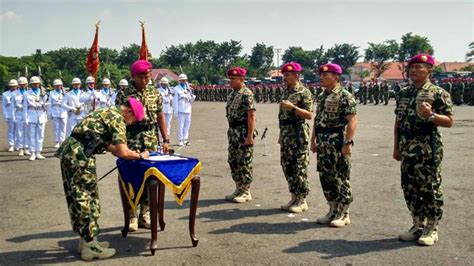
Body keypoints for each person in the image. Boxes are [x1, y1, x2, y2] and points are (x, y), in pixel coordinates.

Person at [56, 97, 149, 260]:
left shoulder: (106, 111)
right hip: (79, 157)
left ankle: (87, 241)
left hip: (73, 154)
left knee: (79, 197)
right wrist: (141, 155)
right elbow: (122, 152)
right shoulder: (117, 118)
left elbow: (107, 146)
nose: (130, 124)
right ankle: (90, 247)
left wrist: (127, 151)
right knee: (86, 199)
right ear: (128, 112)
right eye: (133, 119)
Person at [393, 54, 454, 246]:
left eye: (419, 67)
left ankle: (432, 227)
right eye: (411, 67)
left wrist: (431, 115)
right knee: (409, 187)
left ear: (430, 70)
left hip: (428, 146)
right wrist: (396, 147)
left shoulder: (438, 93)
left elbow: (449, 121)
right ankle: (418, 224)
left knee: (429, 187)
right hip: (406, 145)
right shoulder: (404, 93)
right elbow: (398, 121)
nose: (414, 70)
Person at [115, 60, 169, 232]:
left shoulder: (155, 93)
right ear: (133, 77)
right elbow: (119, 121)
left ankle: (144, 213)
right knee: (130, 177)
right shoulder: (124, 94)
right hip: (131, 140)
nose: (145, 80)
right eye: (141, 77)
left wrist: (166, 139)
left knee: (150, 178)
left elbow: (161, 117)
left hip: (151, 140)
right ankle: (131, 214)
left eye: (147, 76)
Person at [310, 63, 357, 227]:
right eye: (321, 75)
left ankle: (344, 213)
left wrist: (348, 142)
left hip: (337, 140)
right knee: (326, 176)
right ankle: (332, 209)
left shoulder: (345, 96)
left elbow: (352, 120)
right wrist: (313, 139)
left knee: (340, 177)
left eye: (326, 75)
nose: (322, 77)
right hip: (323, 141)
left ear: (336, 77)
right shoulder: (323, 96)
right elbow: (317, 119)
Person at [278, 62, 314, 213]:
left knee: (299, 167)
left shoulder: (304, 92)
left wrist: (293, 107)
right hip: (286, 133)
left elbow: (309, 114)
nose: (285, 77)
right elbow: (281, 115)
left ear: (297, 76)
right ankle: (294, 196)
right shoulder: (285, 91)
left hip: (298, 133)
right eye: (284, 74)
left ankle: (302, 199)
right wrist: (281, 134)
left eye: (288, 75)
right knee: (287, 166)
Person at [224, 67, 257, 203]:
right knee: (234, 161)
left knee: (244, 162)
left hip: (243, 131)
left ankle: (246, 191)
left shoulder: (246, 94)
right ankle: (238, 188)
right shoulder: (232, 94)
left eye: (233, 79)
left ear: (242, 79)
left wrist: (249, 136)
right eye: (230, 79)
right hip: (233, 131)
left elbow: (251, 115)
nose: (230, 81)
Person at [24, 76, 48, 161]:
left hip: (41, 114)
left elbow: (45, 105)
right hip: (31, 114)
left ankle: (38, 152)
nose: (35, 85)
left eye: (37, 83)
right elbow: (25, 107)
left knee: (40, 135)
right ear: (31, 84)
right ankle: (32, 152)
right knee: (32, 135)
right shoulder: (27, 93)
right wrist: (25, 118)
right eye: (33, 83)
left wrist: (44, 97)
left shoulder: (43, 92)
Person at [173, 74, 196, 146]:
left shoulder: (188, 88)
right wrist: (176, 112)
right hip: (181, 109)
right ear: (179, 81)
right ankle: (180, 140)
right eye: (182, 80)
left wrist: (191, 94)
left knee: (187, 125)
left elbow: (192, 100)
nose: (184, 81)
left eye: (185, 80)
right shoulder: (176, 89)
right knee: (181, 125)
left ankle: (185, 139)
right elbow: (175, 101)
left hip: (188, 109)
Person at [12, 77, 30, 156]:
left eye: (24, 84)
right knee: (19, 132)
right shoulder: (14, 94)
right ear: (18, 85)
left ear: (27, 84)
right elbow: (12, 107)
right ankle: (20, 149)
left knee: (27, 132)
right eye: (21, 84)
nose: (23, 85)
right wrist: (13, 117)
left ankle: (26, 148)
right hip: (19, 113)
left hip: (28, 113)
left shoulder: (29, 93)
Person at [48, 79, 68, 148]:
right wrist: (49, 113)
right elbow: (49, 104)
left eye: (59, 85)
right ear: (54, 86)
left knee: (63, 127)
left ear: (61, 86)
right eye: (56, 86)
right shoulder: (51, 93)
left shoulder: (64, 92)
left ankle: (62, 141)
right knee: (56, 128)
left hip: (63, 111)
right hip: (55, 110)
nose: (57, 87)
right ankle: (56, 141)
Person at [2, 79, 18, 152]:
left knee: (18, 130)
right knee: (11, 130)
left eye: (14, 86)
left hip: (18, 113)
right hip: (9, 114)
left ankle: (18, 144)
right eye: (11, 86)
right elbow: (4, 106)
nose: (13, 87)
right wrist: (6, 116)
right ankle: (11, 145)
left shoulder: (20, 93)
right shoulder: (5, 94)